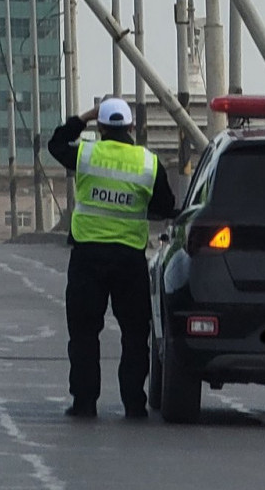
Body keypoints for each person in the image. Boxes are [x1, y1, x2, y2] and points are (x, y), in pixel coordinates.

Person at [47, 96, 177, 420]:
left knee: (84, 333)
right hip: (129, 260)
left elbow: (56, 143)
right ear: (131, 126)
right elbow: (164, 206)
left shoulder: (87, 154)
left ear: (101, 127)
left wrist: (83, 117)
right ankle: (134, 402)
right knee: (135, 334)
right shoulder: (148, 163)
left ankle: (84, 403)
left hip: (88, 258)